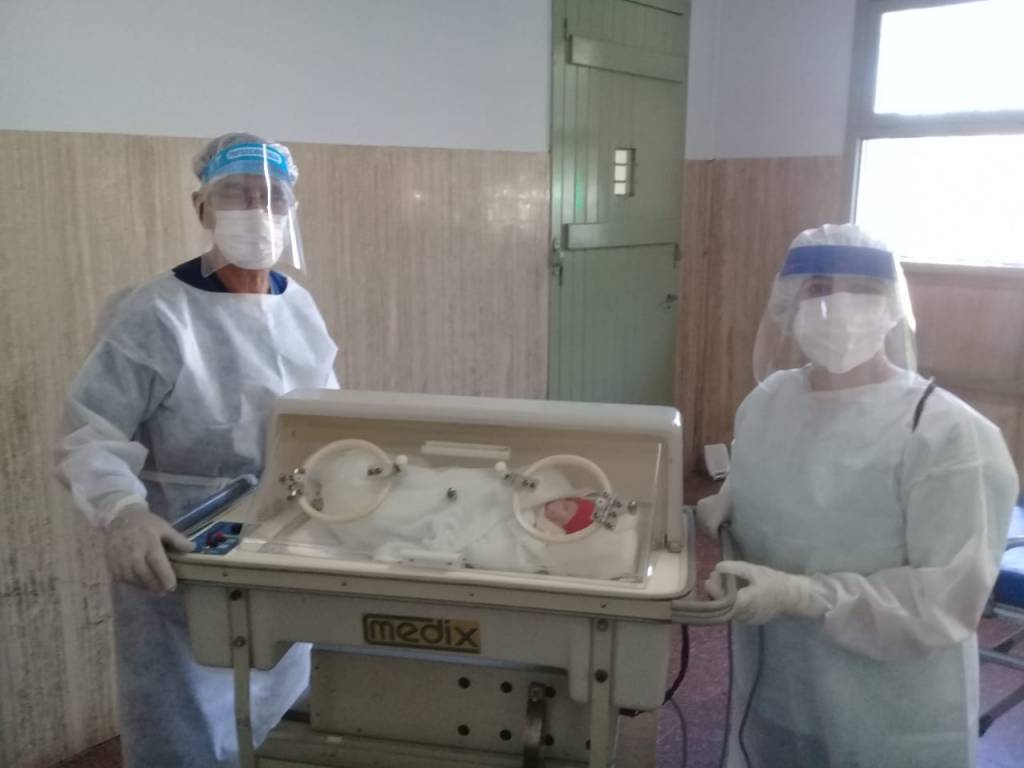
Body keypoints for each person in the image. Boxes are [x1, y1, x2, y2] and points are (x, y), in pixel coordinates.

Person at [56, 133, 340, 767]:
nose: (257, 211)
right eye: (237, 194)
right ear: (201, 206)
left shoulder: (299, 307)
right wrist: (123, 512)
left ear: (291, 210)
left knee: (278, 715)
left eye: (273, 197)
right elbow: (90, 432)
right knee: (186, 730)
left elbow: (331, 422)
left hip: (282, 544)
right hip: (181, 555)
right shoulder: (157, 313)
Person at [698, 223, 1018, 768]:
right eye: (819, 288)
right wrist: (731, 499)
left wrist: (806, 596)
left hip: (892, 709)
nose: (838, 309)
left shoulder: (947, 434)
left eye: (862, 291)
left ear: (892, 307)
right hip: (780, 686)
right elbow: (779, 478)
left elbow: (945, 600)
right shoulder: (768, 403)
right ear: (787, 305)